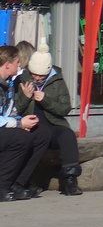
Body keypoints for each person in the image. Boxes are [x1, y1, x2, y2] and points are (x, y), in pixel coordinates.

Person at [16, 42, 83, 194]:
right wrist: (26, 97)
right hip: (33, 124)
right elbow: (17, 109)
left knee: (67, 136)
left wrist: (46, 100)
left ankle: (70, 179)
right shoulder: (21, 80)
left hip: (54, 122)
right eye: (34, 74)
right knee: (40, 136)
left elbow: (65, 108)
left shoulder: (57, 80)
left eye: (41, 75)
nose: (37, 78)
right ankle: (28, 180)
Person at [0, 44, 48, 201]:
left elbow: (11, 112)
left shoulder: (9, 84)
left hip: (5, 127)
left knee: (41, 134)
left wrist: (23, 121)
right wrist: (19, 124)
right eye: (17, 62)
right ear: (8, 64)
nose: (20, 65)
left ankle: (18, 183)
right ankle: (2, 185)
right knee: (21, 138)